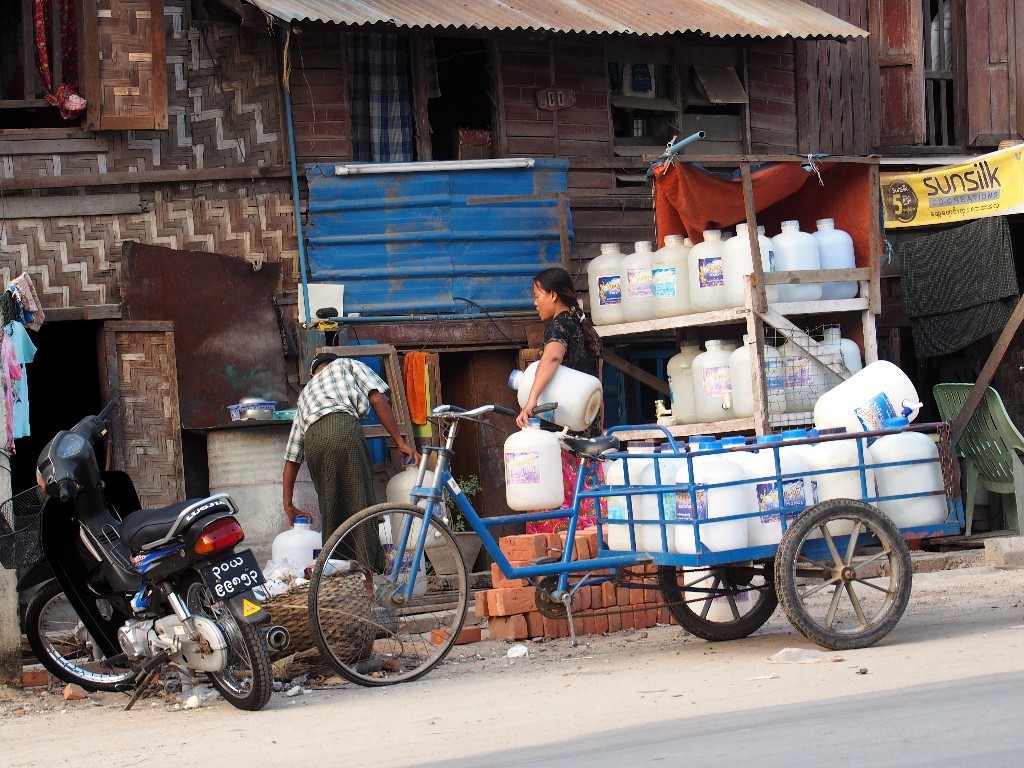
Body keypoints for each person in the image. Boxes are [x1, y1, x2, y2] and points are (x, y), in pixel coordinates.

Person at [282, 352, 419, 560]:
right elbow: (376, 397)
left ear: (313, 375)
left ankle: (338, 573)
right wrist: (400, 442)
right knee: (361, 502)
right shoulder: (346, 364)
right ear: (333, 363)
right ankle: (367, 579)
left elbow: (292, 457)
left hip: (314, 442)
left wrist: (289, 505)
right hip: (343, 428)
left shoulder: (305, 395)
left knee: (332, 510)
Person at [516, 267, 604, 533]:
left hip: (561, 438)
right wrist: (599, 429)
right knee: (587, 509)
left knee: (556, 509)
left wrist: (530, 401)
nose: (534, 302)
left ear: (553, 295)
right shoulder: (587, 330)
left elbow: (552, 358)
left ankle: (556, 564)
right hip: (586, 436)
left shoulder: (559, 325)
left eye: (537, 295)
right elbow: (597, 388)